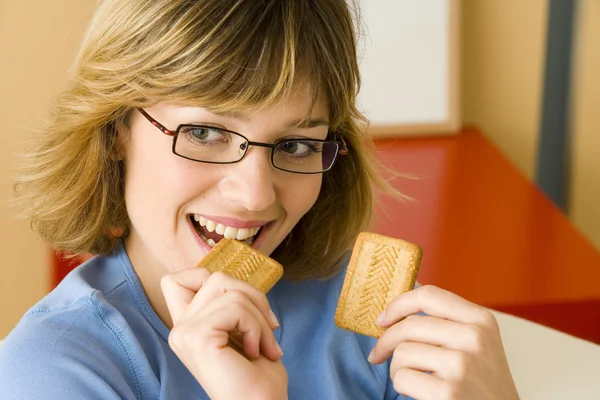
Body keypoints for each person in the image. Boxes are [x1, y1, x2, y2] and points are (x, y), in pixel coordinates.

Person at [0, 0, 520, 399]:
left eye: (295, 145)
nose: (253, 195)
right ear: (116, 130)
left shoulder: (371, 321)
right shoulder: (51, 369)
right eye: (205, 133)